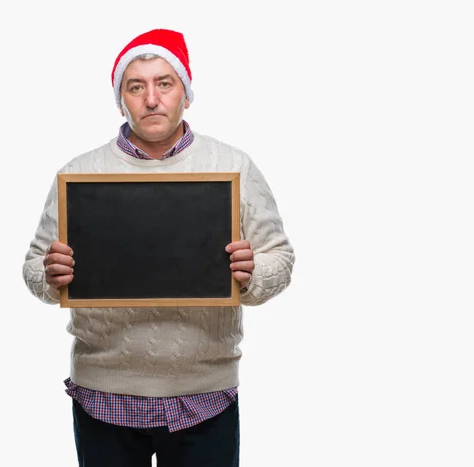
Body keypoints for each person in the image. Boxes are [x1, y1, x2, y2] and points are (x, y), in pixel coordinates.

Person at [22, 28, 294, 467]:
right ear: (121, 99)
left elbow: (279, 257)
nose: (151, 99)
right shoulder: (80, 173)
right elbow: (35, 267)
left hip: (205, 395)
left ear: (185, 94)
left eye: (164, 83)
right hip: (103, 396)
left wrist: (254, 273)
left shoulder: (232, 166)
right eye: (136, 87)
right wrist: (49, 275)